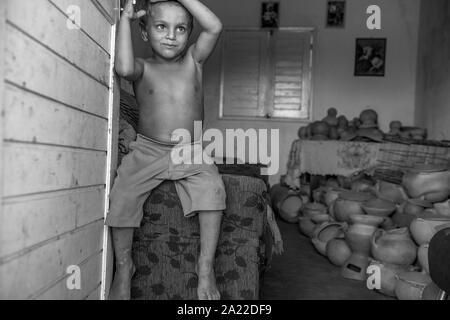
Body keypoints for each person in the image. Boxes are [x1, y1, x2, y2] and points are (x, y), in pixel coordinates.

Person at [107, 0, 225, 300]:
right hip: (148, 149)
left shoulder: (194, 62)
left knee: (214, 191)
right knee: (122, 196)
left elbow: (214, 26)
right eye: (161, 26)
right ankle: (124, 267)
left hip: (191, 149)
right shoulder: (142, 68)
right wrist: (125, 21)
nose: (171, 35)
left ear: (189, 34)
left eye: (181, 28)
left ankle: (205, 267)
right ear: (145, 33)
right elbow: (121, 67)